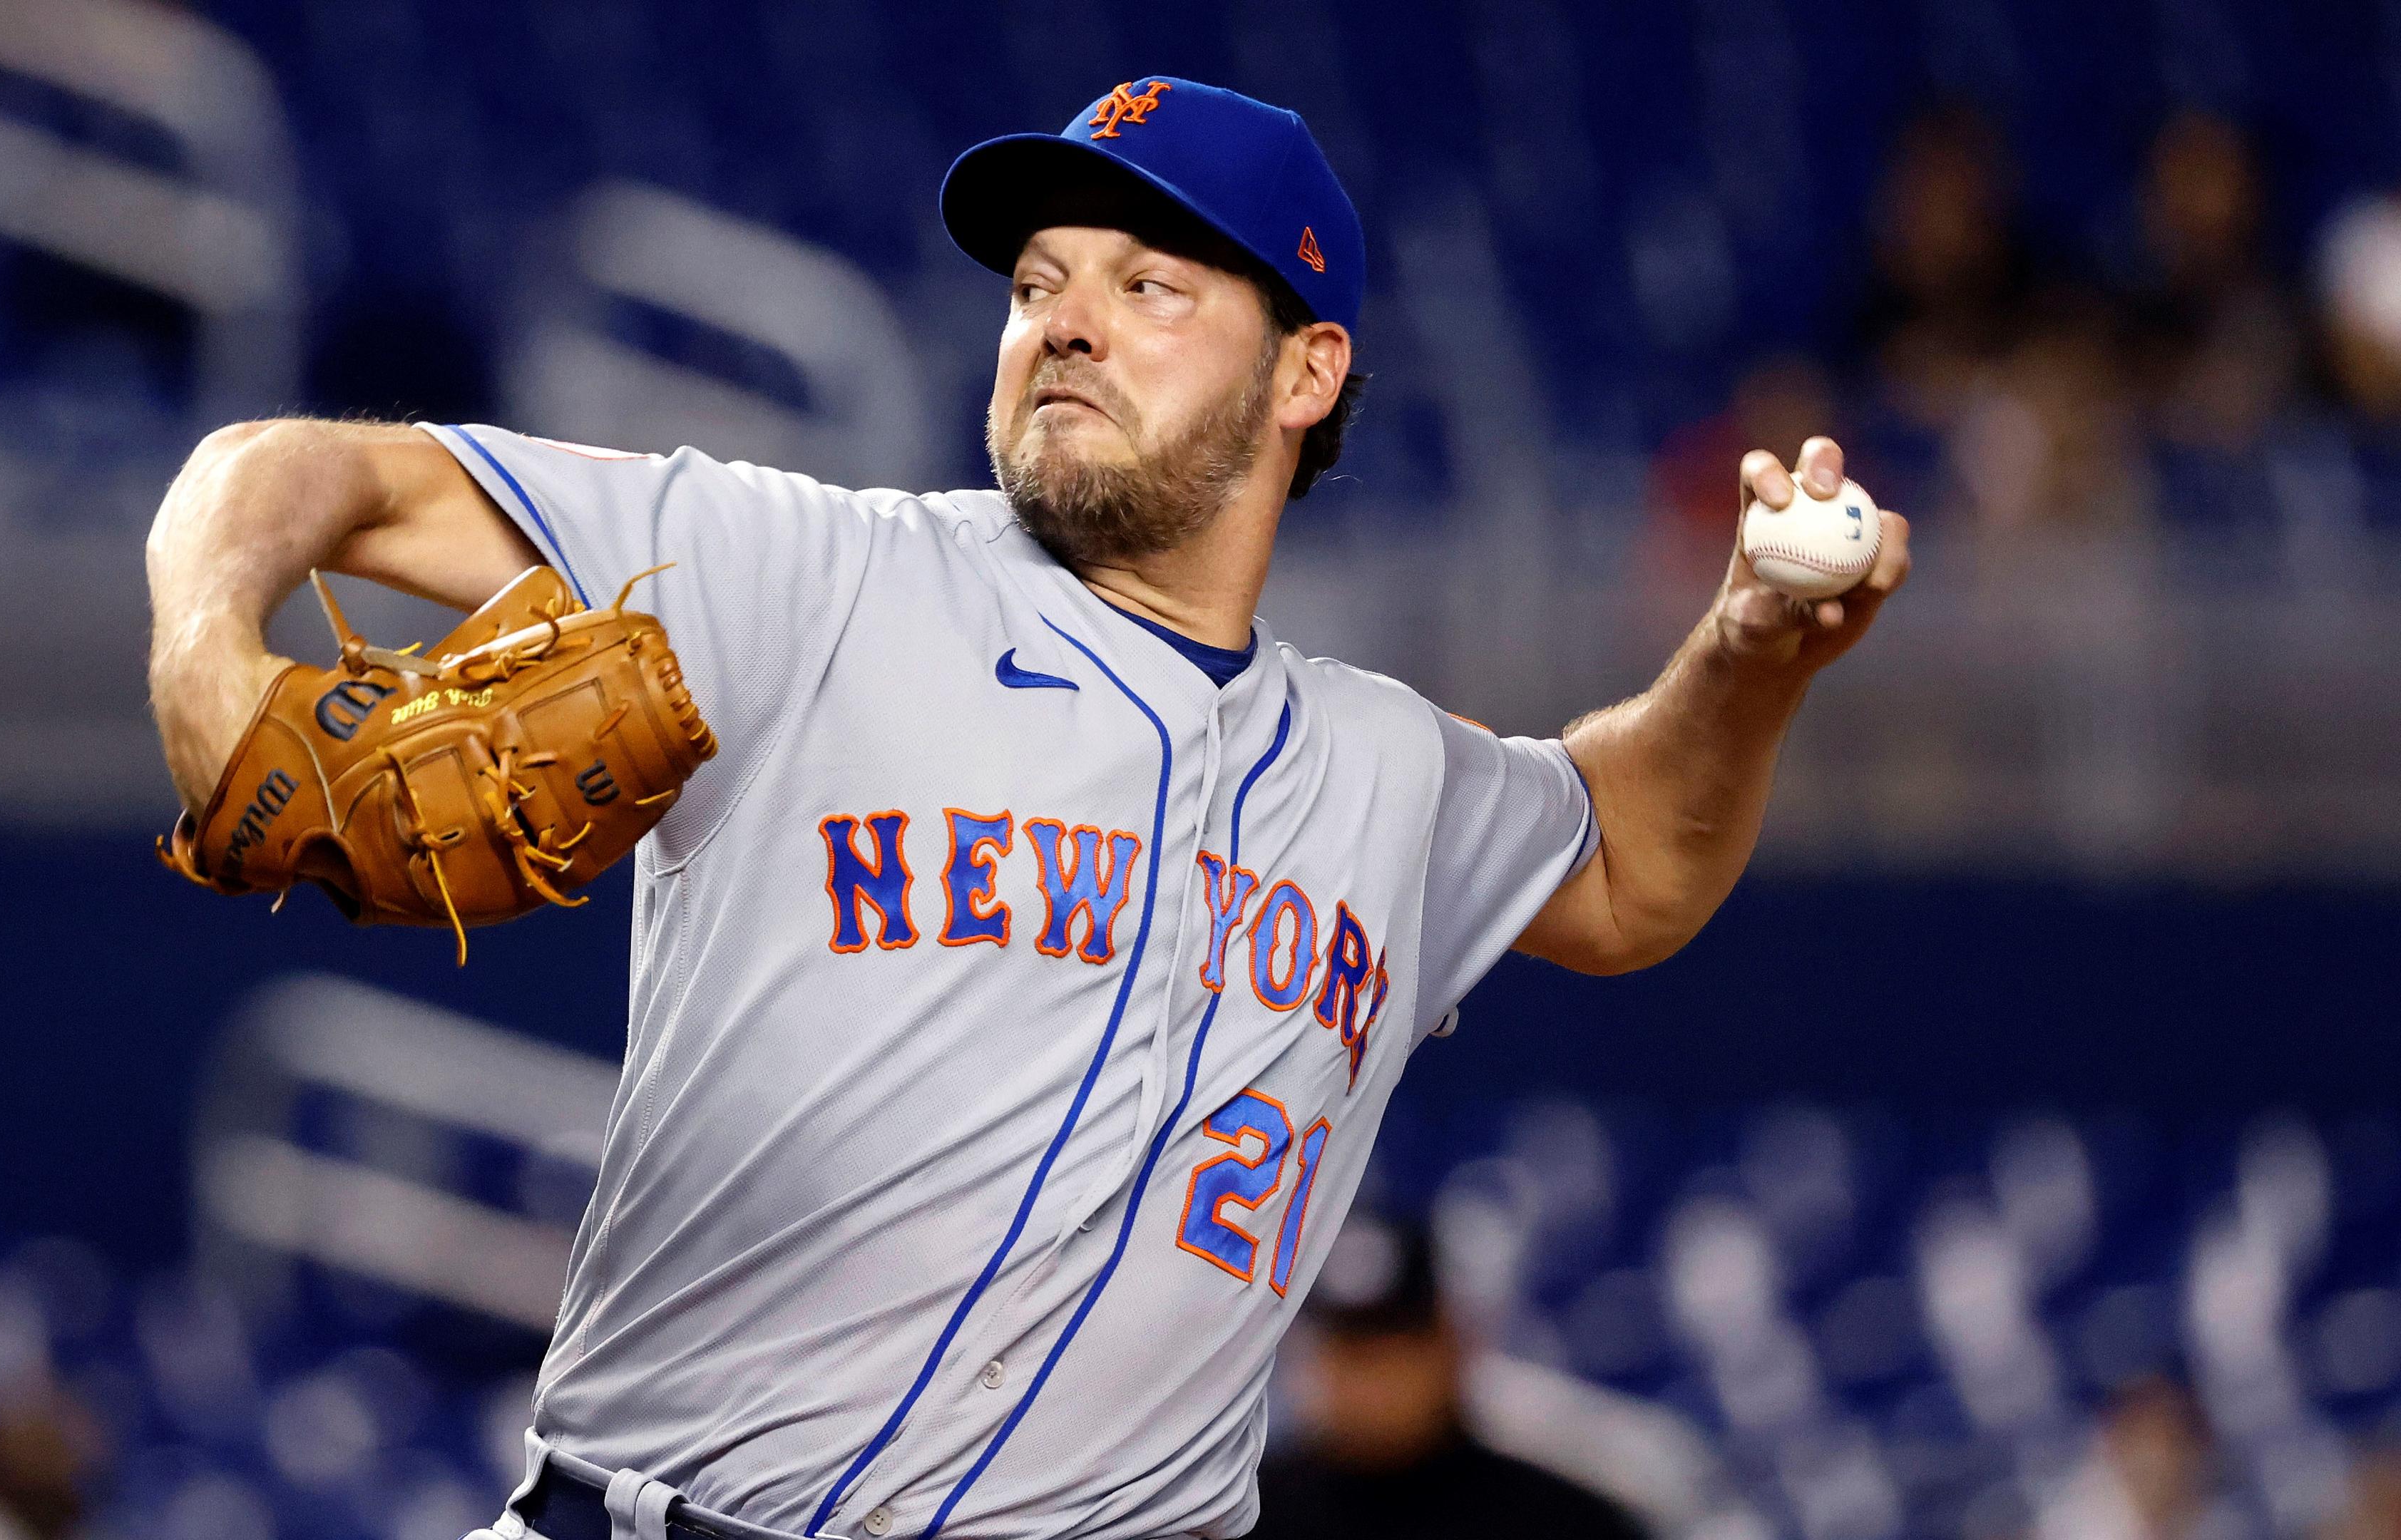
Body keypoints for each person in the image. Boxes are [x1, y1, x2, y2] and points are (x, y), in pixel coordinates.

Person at [144, 75, 1910, 1540]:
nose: (1063, 316)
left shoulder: (1383, 769)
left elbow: (1632, 865)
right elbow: (302, 472)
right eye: (1037, 282)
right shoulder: (804, 571)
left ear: (1304, 374)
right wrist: (212, 658)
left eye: (1149, 285)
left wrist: (1751, 653)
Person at [1250, 1213, 1644, 1540]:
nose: (1373, 1376)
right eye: (1351, 1347)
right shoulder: (1243, 1520)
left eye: (1398, 1342)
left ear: (1454, 1341)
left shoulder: (1567, 1524)